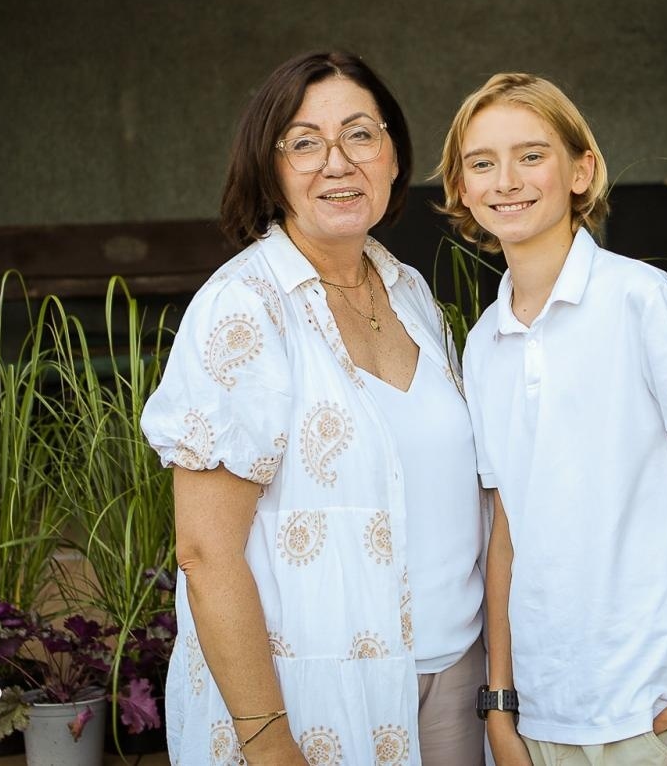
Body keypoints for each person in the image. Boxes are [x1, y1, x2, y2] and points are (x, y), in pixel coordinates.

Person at [141, 50, 487, 766]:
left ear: (394, 157)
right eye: (304, 142)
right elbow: (205, 554)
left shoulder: (412, 294)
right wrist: (269, 745)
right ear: (271, 172)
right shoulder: (244, 308)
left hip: (454, 678)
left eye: (360, 134)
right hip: (315, 699)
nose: (338, 162)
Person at [436, 72, 667, 766]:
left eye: (532, 154)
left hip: (657, 703)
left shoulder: (641, 301)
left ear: (581, 170)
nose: (507, 180)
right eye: (482, 162)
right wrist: (500, 703)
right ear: (461, 189)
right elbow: (505, 532)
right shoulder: (483, 343)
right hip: (542, 714)